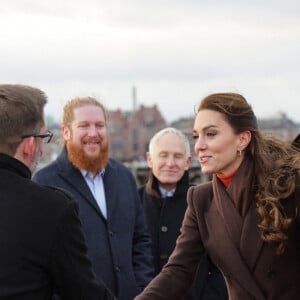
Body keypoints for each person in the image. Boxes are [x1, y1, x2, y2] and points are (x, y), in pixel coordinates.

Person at [134, 92, 300, 300]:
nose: (198, 145)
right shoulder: (201, 200)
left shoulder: (289, 188)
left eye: (211, 134)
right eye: (196, 136)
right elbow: (178, 272)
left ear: (242, 139)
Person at [0, 84, 115, 299]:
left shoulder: (121, 177)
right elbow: (84, 292)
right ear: (29, 145)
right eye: (44, 137)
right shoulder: (51, 208)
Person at [33, 96, 154, 300]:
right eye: (84, 126)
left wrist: (141, 288)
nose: (93, 133)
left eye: (100, 125)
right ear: (66, 131)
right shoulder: (45, 182)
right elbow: (40, 258)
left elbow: (140, 239)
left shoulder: (124, 176)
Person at [139, 127, 227, 300]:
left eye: (177, 156)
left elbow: (221, 265)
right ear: (150, 159)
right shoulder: (132, 202)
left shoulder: (207, 202)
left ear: (188, 162)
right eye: (163, 155)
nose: (170, 163)